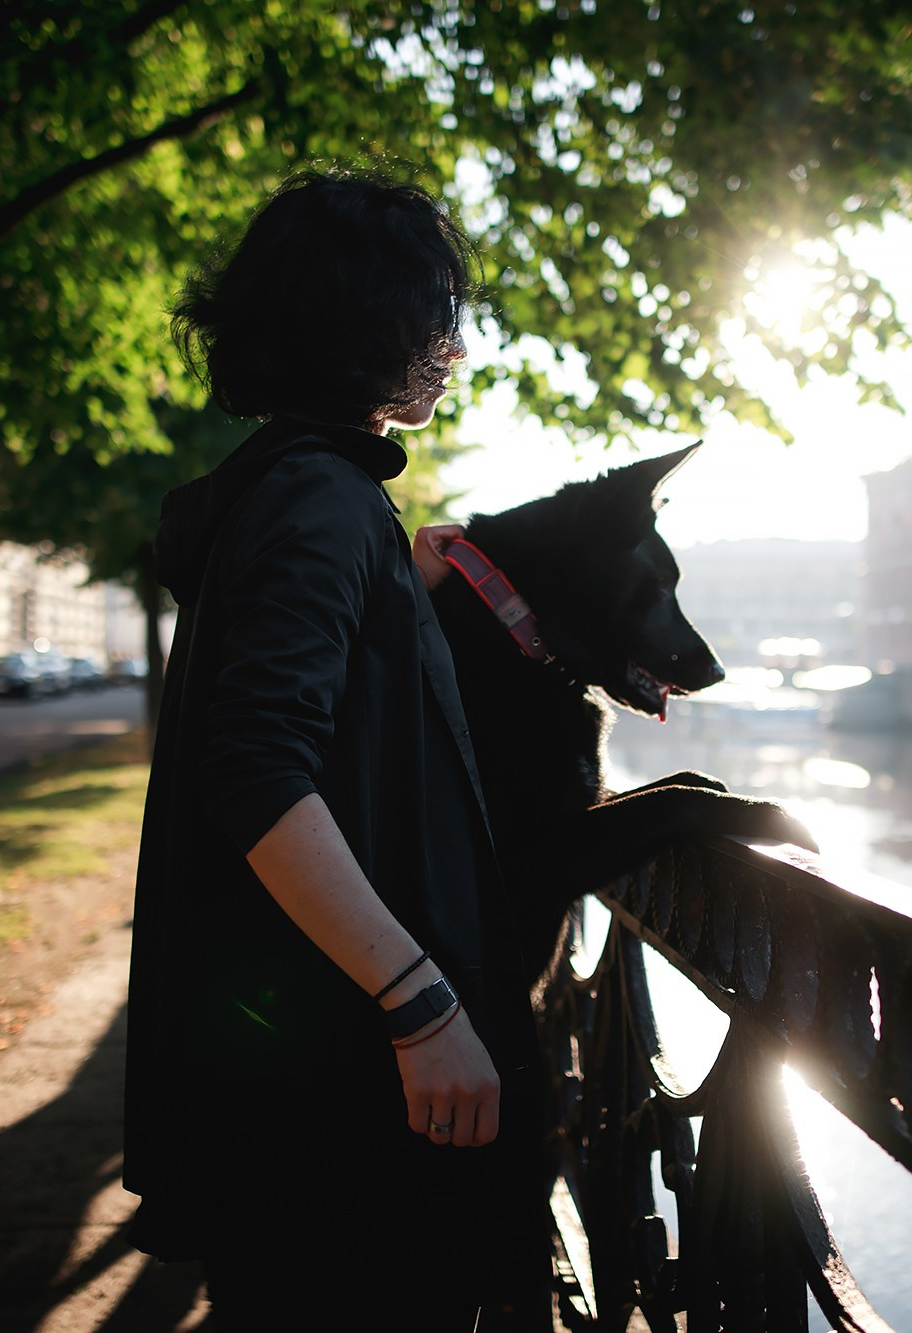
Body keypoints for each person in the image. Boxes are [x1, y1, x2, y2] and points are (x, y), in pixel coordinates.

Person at [123, 170, 547, 1328]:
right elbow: (257, 771)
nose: (452, 348)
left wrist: (395, 585)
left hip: (312, 1100)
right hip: (341, 1114)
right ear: (372, 321)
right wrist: (422, 1007)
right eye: (436, 315)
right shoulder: (319, 499)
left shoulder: (297, 492)